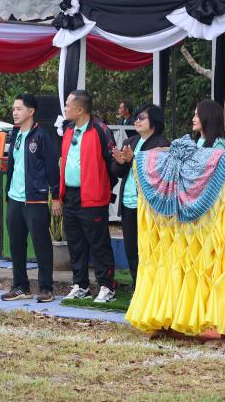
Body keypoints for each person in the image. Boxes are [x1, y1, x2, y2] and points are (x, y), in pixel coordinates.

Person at [0, 94, 61, 303]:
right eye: (13, 109)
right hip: (14, 199)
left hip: (35, 199)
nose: (14, 112)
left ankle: (46, 288)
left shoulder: (41, 135)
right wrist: (8, 193)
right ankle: (20, 286)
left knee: (41, 244)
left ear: (31, 111)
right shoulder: (16, 134)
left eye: (19, 109)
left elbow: (52, 168)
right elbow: (13, 165)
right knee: (16, 244)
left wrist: (56, 196)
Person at [59, 90, 118, 303]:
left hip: (93, 197)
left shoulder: (101, 130)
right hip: (71, 195)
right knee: (75, 243)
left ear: (80, 109)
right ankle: (80, 285)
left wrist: (102, 187)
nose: (65, 108)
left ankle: (107, 286)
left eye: (68, 105)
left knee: (99, 243)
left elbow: (113, 165)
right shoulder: (68, 129)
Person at [110, 104, 170, 289]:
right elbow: (118, 172)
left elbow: (157, 173)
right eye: (136, 118)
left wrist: (133, 160)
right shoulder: (130, 141)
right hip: (128, 203)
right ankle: (137, 286)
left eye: (142, 118)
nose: (137, 121)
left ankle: (151, 288)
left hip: (148, 206)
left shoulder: (162, 143)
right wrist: (120, 162)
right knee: (131, 248)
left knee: (149, 248)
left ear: (154, 121)